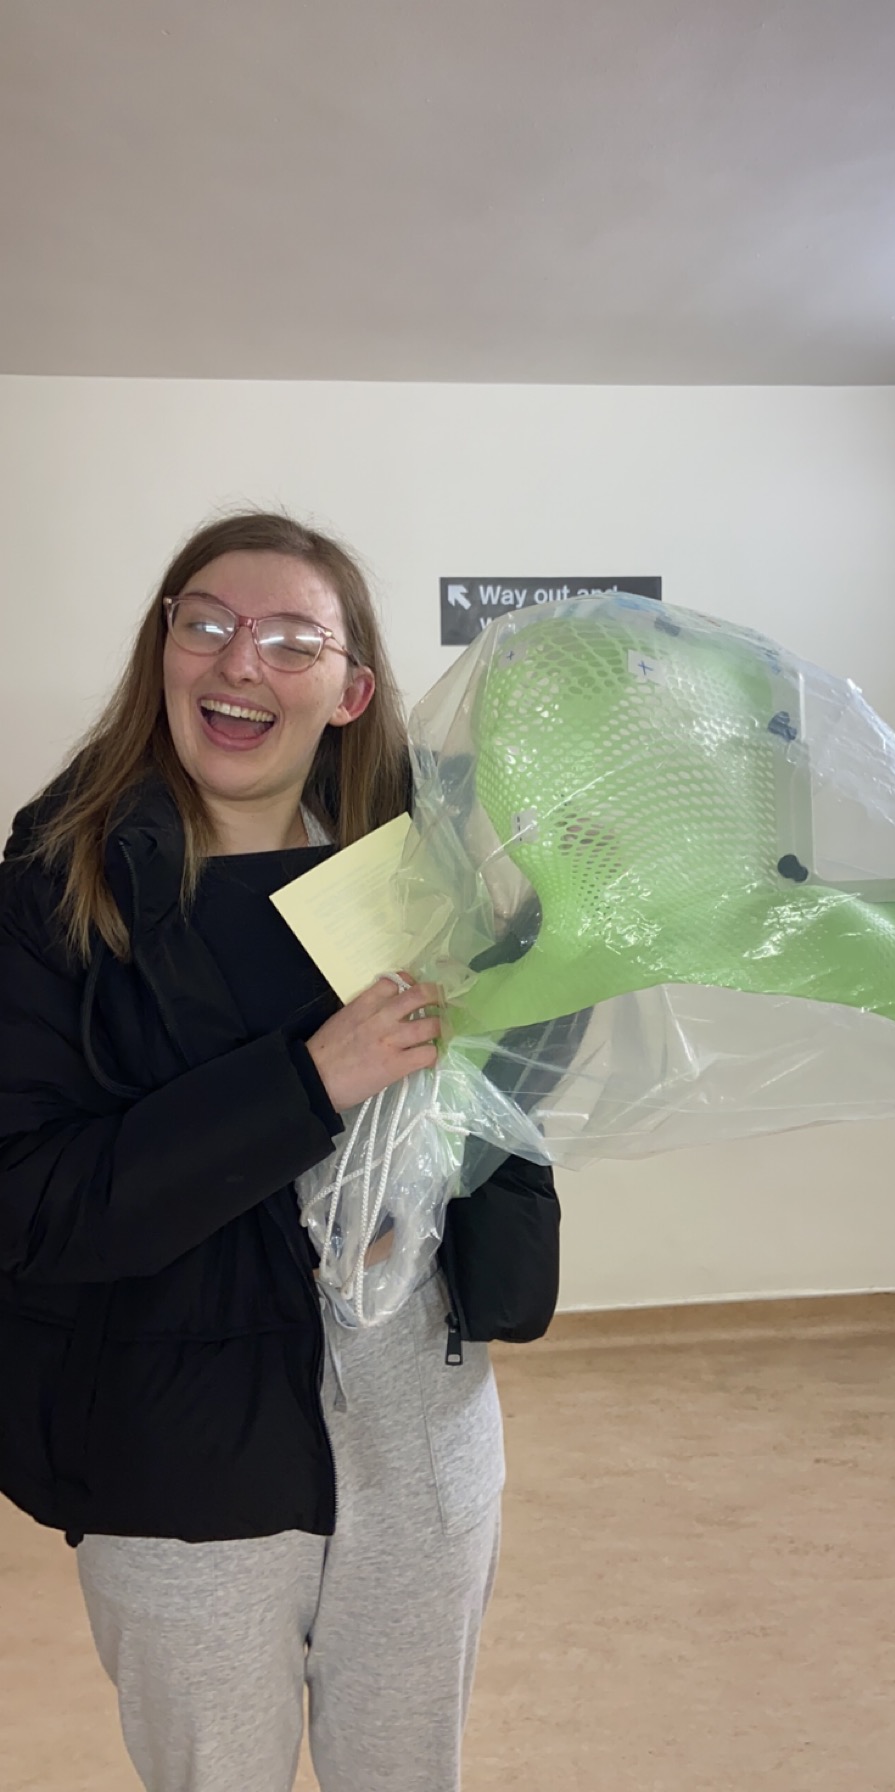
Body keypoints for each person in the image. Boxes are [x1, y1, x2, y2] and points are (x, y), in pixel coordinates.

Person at [0, 511, 560, 1792]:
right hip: (180, 1444)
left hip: (420, 1429)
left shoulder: (414, 877)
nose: (239, 661)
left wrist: (567, 964)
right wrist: (308, 1083)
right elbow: (32, 1202)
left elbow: (486, 1120)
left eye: (290, 639)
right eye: (205, 622)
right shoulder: (51, 894)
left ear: (349, 689)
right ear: (164, 654)